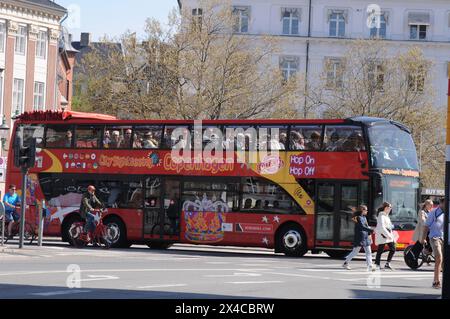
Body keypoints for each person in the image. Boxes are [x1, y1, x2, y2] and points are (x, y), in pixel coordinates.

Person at [343, 205, 375, 271]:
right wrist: (371, 230)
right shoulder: (358, 218)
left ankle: (370, 266)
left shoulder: (364, 217)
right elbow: (361, 227)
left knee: (368, 252)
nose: (367, 211)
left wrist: (369, 234)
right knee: (355, 252)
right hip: (360, 237)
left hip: (365, 237)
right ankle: (346, 263)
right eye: (366, 210)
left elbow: (366, 226)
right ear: (362, 210)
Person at [422, 198, 445, 289]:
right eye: (445, 203)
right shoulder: (434, 212)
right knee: (439, 257)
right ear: (441, 203)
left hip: (445, 238)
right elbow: (426, 226)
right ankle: (436, 281)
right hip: (434, 237)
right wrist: (423, 238)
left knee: (444, 261)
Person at [374, 202, 396, 270]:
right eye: (390, 208)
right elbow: (382, 227)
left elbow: (388, 226)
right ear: (386, 208)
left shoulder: (386, 216)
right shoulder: (381, 216)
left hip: (387, 235)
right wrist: (388, 235)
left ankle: (387, 263)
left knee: (393, 249)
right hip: (382, 235)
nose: (390, 209)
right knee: (380, 250)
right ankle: (377, 264)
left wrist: (392, 232)